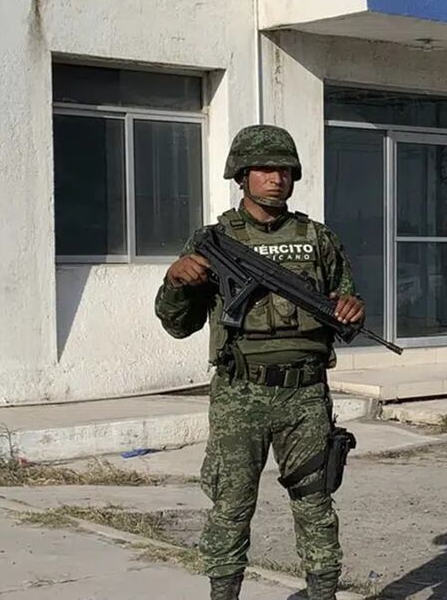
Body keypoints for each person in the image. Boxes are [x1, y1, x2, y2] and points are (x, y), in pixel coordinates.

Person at [154, 124, 364, 600]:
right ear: (242, 175)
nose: (277, 178)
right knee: (231, 505)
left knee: (315, 504)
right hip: (239, 392)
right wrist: (175, 282)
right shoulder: (214, 240)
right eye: (266, 169)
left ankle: (323, 593)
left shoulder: (317, 238)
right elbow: (177, 324)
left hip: (305, 394)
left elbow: (345, 304)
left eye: (285, 169)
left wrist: (353, 307)